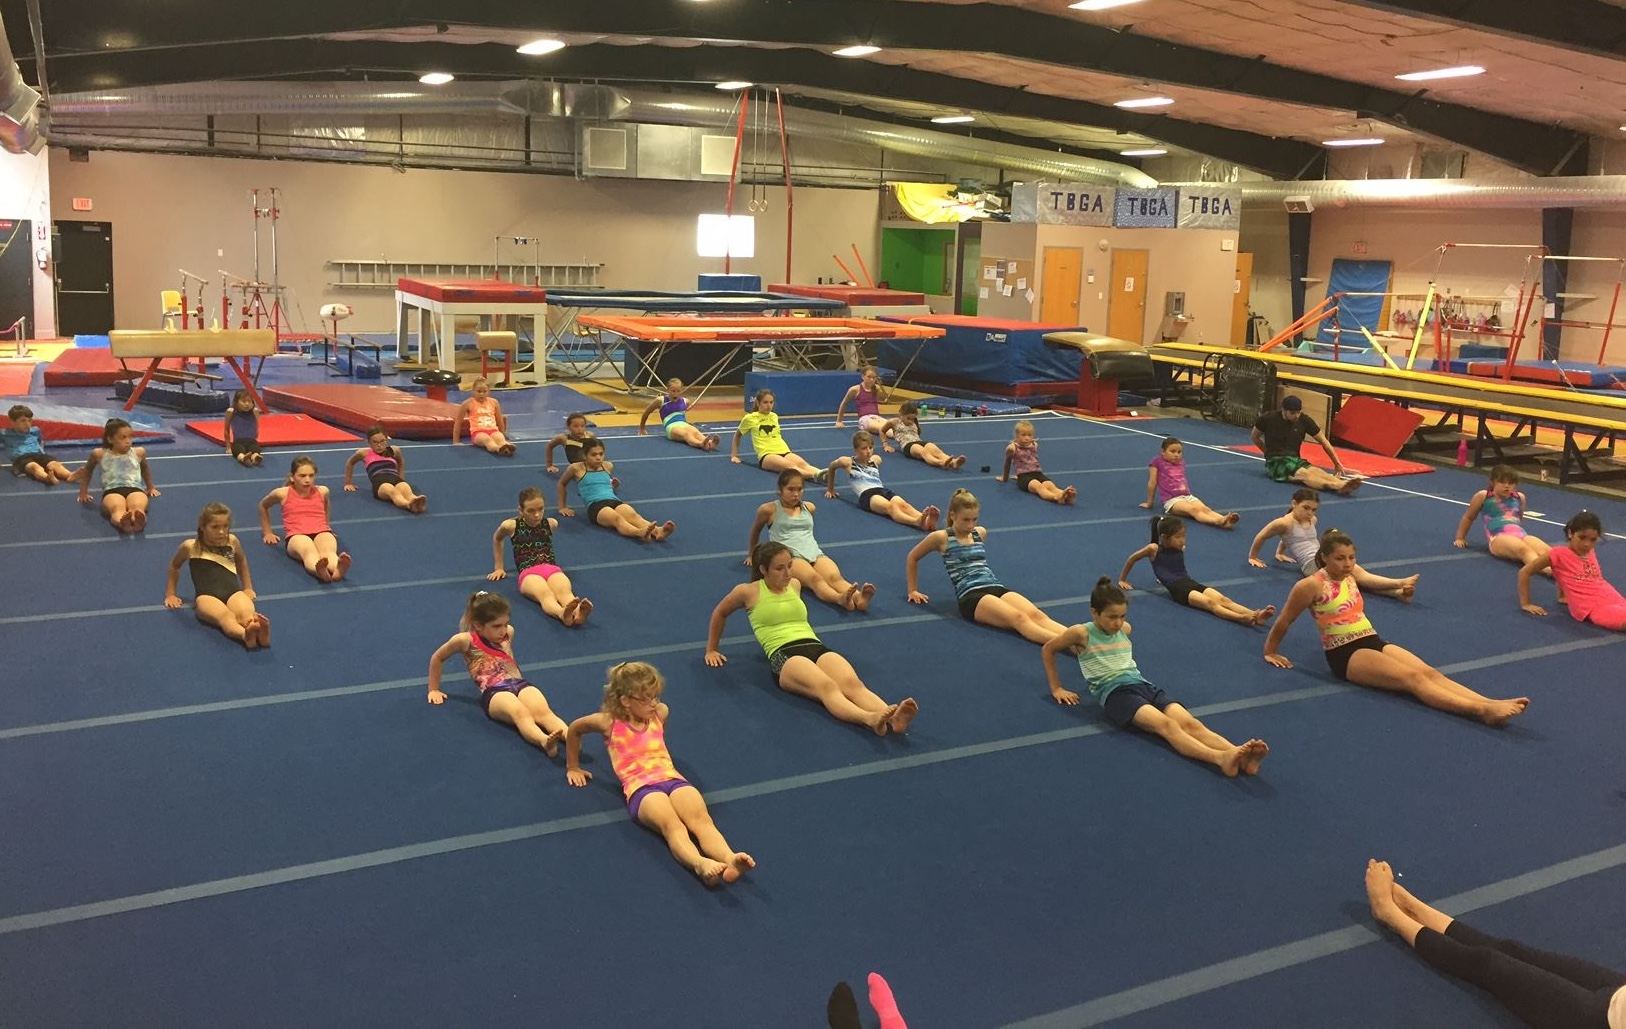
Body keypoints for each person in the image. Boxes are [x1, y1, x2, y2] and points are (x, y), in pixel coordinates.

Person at [1263, 529, 1529, 726]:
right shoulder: (1310, 585)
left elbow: (1372, 583)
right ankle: (1479, 712)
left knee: (1428, 672)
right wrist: (1270, 651)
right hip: (1344, 654)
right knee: (1412, 680)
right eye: (1340, 559)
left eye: (1352, 558)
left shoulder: (1351, 574)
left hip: (1372, 640)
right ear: (1323, 558)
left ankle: (1488, 702)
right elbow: (1286, 619)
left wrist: (1398, 587)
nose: (1347, 564)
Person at [1042, 578, 1270, 775]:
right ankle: (1219, 759)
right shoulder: (1081, 633)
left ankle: (1237, 753)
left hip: (1143, 685)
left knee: (1190, 723)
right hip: (1115, 695)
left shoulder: (1125, 629)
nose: (1118, 623)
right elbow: (1048, 649)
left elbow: (1122, 643)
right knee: (1167, 726)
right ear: (1094, 613)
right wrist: (1057, 688)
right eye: (1112, 617)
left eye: (1122, 616)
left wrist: (1120, 626)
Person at [1364, 858, 1626, 1029]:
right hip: (1619, 993)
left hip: (1597, 1021)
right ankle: (1415, 909)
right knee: (1512, 950)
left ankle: (1390, 914)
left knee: (1490, 965)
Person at [566, 661, 755, 887]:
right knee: (673, 826)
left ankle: (729, 858)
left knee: (702, 821)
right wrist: (573, 766)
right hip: (641, 789)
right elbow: (575, 729)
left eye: (656, 696)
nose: (655, 704)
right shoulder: (608, 722)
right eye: (647, 699)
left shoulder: (660, 713)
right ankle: (699, 863)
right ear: (625, 701)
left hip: (673, 779)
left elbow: (657, 738)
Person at [706, 541, 919, 735]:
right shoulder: (747, 592)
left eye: (789, 566)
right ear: (763, 570)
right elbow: (720, 613)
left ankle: (893, 719)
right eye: (779, 568)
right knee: (827, 687)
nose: (787, 573)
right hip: (784, 655)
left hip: (814, 645)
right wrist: (711, 649)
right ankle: (869, 719)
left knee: (853, 684)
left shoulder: (795, 585)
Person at [905, 488, 1070, 645]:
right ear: (952, 515)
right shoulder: (941, 537)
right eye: (966, 520)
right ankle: (1070, 646)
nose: (970, 525)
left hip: (994, 586)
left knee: (1037, 615)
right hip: (971, 596)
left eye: (974, 519)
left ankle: (1080, 639)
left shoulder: (979, 533)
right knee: (1019, 619)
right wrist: (913, 590)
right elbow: (913, 557)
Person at [427, 590, 568, 756]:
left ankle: (570, 735)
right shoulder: (464, 640)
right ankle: (543, 741)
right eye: (496, 626)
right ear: (478, 625)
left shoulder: (509, 632)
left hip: (520, 683)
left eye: (505, 624)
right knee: (520, 713)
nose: (503, 631)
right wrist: (433, 689)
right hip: (494, 692)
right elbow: (438, 657)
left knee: (543, 712)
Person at [1248, 488, 1419, 601]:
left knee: (1350, 579)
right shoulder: (1283, 523)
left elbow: (1289, 538)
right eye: (1306, 508)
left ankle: (1397, 593)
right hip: (1311, 565)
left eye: (1313, 509)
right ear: (1294, 504)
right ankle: (1398, 583)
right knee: (1353, 570)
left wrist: (1280, 552)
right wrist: (1253, 557)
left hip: (1322, 555)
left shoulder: (1312, 520)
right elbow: (1261, 536)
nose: (1310, 513)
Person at [746, 469, 875, 612]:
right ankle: (839, 598)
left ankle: (859, 598)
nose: (796, 494)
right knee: (815, 579)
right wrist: (752, 554)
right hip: (790, 557)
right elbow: (755, 531)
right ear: (780, 490)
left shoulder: (809, 507)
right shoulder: (769, 510)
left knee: (834, 577)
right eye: (790, 489)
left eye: (800, 489)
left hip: (814, 552)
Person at [1120, 516, 1275, 627]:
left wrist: (1160, 576)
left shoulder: (1180, 548)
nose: (1182, 540)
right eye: (1178, 537)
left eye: (1184, 536)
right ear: (1164, 538)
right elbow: (1132, 559)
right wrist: (1123, 579)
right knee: (1210, 604)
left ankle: (1256, 615)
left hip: (1190, 582)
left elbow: (1168, 568)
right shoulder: (1153, 549)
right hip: (1178, 591)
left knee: (1224, 599)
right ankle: (1242, 618)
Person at [163, 502, 270, 649]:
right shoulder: (191, 547)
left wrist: (247, 587)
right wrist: (170, 594)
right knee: (226, 617)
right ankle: (245, 635)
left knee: (246, 611)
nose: (221, 532)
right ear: (202, 526)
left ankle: (259, 634)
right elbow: (175, 566)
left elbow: (241, 561)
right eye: (215, 527)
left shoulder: (232, 541)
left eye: (225, 526)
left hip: (233, 592)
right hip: (206, 597)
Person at [489, 486, 593, 627]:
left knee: (565, 592)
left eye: (540, 509)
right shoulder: (511, 526)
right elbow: (497, 538)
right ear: (520, 510)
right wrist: (499, 567)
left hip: (551, 568)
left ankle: (577, 613)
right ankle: (562, 613)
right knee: (546, 594)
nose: (537, 515)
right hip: (528, 573)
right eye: (531, 511)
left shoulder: (551, 524)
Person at [1518, 510, 1625, 631]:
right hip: (1590, 606)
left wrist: (1562, 596)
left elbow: (1567, 573)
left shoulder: (1590, 552)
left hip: (1610, 595)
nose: (1587, 544)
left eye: (1592, 540)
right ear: (1570, 533)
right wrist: (1526, 604)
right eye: (1582, 538)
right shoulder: (1558, 553)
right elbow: (1525, 572)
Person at [557, 437, 675, 542]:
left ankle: (658, 531)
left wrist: (612, 486)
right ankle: (639, 532)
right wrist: (562, 507)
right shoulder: (576, 468)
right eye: (594, 455)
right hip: (595, 506)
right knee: (617, 518)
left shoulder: (608, 466)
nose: (598, 458)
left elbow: (601, 486)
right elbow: (562, 484)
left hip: (613, 500)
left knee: (633, 515)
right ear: (584, 455)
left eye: (601, 454)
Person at [1455, 465, 1554, 584]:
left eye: (1511, 483)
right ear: (1492, 482)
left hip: (1521, 535)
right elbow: (1469, 517)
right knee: (1523, 550)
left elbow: (1519, 519)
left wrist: (1522, 537)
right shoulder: (1483, 496)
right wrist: (1460, 537)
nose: (1507, 486)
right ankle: (1548, 571)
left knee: (1547, 551)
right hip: (1498, 537)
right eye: (1502, 482)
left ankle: (1571, 571)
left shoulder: (1520, 497)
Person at [824, 430, 940, 532]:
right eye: (864, 448)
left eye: (870, 447)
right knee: (890, 507)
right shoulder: (847, 462)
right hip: (867, 495)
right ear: (855, 450)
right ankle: (916, 521)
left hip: (883, 490)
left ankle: (926, 520)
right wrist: (830, 489)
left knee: (903, 505)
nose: (868, 451)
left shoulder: (875, 460)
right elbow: (831, 466)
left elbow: (875, 459)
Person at [259, 455, 350, 582]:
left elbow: (326, 505)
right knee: (309, 552)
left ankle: (337, 568)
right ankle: (319, 570)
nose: (307, 480)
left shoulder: (322, 491)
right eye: (302, 476)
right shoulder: (282, 493)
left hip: (321, 531)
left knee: (329, 552)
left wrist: (326, 525)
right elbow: (263, 506)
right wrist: (267, 532)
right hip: (296, 535)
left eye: (311, 475)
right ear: (292, 477)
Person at [1250, 394, 1362, 494]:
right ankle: (1337, 486)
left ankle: (1342, 483)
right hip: (1277, 461)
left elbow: (1324, 442)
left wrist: (1336, 463)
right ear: (1283, 410)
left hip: (1295, 459)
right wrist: (1267, 453)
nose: (1296, 416)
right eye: (1292, 413)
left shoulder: (1304, 420)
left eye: (1298, 412)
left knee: (1316, 471)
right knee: (1304, 474)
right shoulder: (1268, 418)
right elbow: (1255, 437)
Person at [77, 418, 159, 533]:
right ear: (110, 439)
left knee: (137, 506)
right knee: (117, 508)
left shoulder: (139, 452)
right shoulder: (99, 454)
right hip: (112, 491)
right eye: (123, 437)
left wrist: (150, 487)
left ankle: (139, 520)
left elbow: (145, 469)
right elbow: (87, 471)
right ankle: (122, 522)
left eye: (130, 437)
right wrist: (83, 492)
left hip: (135, 489)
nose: (128, 441)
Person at [1140, 436, 1238, 528]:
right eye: (1172, 451)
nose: (1176, 455)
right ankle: (1217, 522)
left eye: (1179, 452)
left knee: (1205, 509)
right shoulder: (1157, 462)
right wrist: (1149, 503)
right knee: (1193, 510)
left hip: (1187, 496)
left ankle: (1225, 519)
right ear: (1163, 452)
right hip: (1171, 500)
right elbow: (1152, 482)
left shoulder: (1181, 462)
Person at [730, 388, 826, 480]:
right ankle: (816, 475)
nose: (769, 405)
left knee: (803, 464)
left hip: (783, 450)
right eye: (765, 402)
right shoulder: (750, 418)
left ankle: (824, 475)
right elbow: (737, 436)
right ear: (758, 403)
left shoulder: (774, 416)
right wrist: (734, 455)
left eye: (771, 402)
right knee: (790, 467)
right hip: (767, 454)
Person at [342, 424, 426, 513]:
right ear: (369, 443)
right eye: (375, 442)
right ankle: (408, 505)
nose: (379, 445)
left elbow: (400, 461)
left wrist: (401, 478)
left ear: (387, 440)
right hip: (380, 483)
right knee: (393, 492)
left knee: (406, 489)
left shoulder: (394, 450)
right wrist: (348, 483)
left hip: (395, 479)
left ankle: (415, 500)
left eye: (382, 441)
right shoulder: (364, 453)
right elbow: (350, 462)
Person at [997, 420, 1076, 505]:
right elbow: (1007, 463)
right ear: (1016, 436)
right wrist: (1005, 478)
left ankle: (1065, 495)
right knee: (1038, 486)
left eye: (1029, 435)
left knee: (1050, 485)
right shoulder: (1012, 448)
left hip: (1038, 473)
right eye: (1023, 435)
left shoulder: (1034, 444)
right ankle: (1056, 498)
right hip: (1024, 477)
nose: (1027, 438)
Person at [880, 400, 965, 470]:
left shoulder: (915, 421)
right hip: (907, 445)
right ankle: (940, 462)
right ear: (901, 414)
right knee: (923, 452)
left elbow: (917, 433)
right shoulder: (894, 422)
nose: (911, 421)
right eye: (908, 418)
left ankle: (953, 462)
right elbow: (882, 430)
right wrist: (885, 445)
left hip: (919, 441)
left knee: (934, 448)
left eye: (913, 419)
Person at [639, 378, 720, 451]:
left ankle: (710, 443)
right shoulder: (660, 400)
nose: (676, 394)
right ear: (668, 390)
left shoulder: (685, 401)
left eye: (678, 391)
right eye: (673, 391)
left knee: (695, 431)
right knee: (686, 434)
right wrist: (642, 428)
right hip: (671, 427)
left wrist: (687, 423)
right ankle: (700, 444)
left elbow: (682, 413)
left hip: (683, 424)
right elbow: (646, 413)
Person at [4, 404, 75, 485]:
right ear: (13, 422)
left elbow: (40, 441)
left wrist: (42, 451)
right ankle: (46, 477)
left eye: (30, 421)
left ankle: (70, 475)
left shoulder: (35, 430)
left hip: (39, 455)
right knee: (35, 467)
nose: (27, 424)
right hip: (21, 458)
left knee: (54, 464)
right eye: (23, 421)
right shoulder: (5, 433)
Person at [452, 376, 516, 456]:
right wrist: (456, 441)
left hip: (493, 430)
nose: (481, 394)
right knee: (488, 440)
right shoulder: (467, 403)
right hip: (478, 433)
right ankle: (497, 448)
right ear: (473, 391)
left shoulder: (494, 402)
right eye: (478, 391)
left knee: (500, 438)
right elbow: (458, 422)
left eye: (484, 391)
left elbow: (499, 420)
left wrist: (502, 434)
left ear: (488, 392)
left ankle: (505, 446)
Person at [834, 366, 890, 434]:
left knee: (892, 424)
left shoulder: (877, 389)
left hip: (876, 417)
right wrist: (839, 421)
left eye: (874, 377)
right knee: (883, 428)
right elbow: (844, 403)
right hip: (864, 419)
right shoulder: (855, 389)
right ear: (863, 376)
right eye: (869, 377)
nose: (872, 379)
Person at [221, 389, 263, 467]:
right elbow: (226, 429)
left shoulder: (255, 411)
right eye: (243, 401)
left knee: (255, 449)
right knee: (238, 450)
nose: (246, 404)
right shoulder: (231, 411)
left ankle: (255, 457)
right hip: (238, 441)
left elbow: (256, 426)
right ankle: (243, 458)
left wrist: (255, 435)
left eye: (249, 401)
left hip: (251, 441)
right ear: (236, 402)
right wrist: (228, 446)